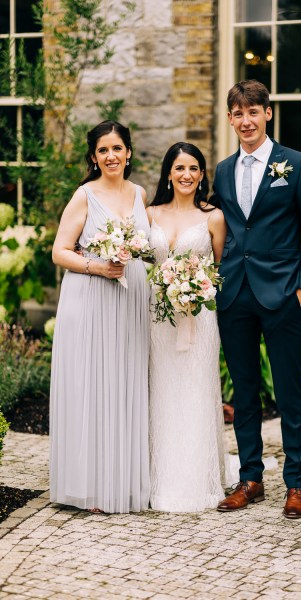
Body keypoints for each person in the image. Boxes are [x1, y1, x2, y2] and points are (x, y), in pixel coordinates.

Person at [211, 80, 301, 518]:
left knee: (290, 392)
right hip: (235, 294)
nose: (246, 121)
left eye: (253, 112)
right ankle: (251, 479)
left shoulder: (295, 165)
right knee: (244, 392)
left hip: (282, 295)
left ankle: (296, 485)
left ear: (268, 114)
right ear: (229, 119)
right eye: (238, 114)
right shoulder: (222, 171)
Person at [50, 120, 150, 513]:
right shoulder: (84, 196)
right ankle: (90, 486)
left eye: (117, 148)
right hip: (91, 296)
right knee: (93, 385)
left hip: (130, 302)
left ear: (129, 152)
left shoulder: (141, 194)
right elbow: (60, 251)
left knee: (124, 384)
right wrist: (96, 267)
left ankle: (122, 480)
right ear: (93, 157)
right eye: (103, 150)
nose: (111, 156)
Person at [146, 142, 227, 512]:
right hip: (158, 318)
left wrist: (196, 288)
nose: (187, 175)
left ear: (202, 174)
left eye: (194, 168)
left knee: (195, 391)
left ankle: (197, 481)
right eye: (179, 168)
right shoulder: (149, 214)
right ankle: (156, 476)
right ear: (168, 173)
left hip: (199, 319)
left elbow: (219, 272)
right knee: (160, 390)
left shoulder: (213, 217)